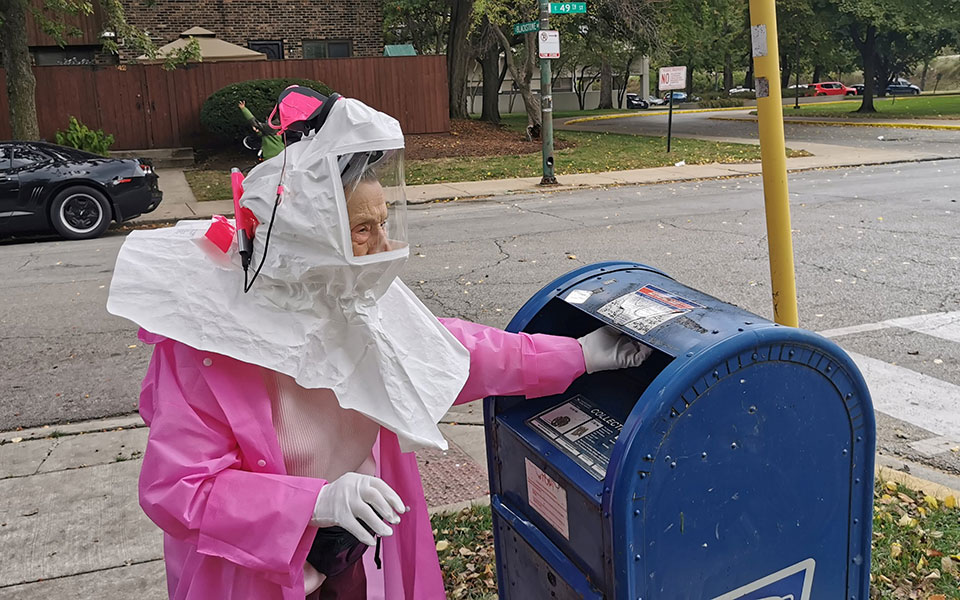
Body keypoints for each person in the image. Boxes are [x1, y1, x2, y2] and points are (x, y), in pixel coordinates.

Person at [107, 88, 651, 600]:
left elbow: (454, 354)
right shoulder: (208, 344)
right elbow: (178, 489)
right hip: (261, 574)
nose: (384, 245)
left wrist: (581, 355)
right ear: (306, 236)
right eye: (363, 230)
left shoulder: (346, 299)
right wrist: (311, 504)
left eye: (384, 222)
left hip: (351, 557)